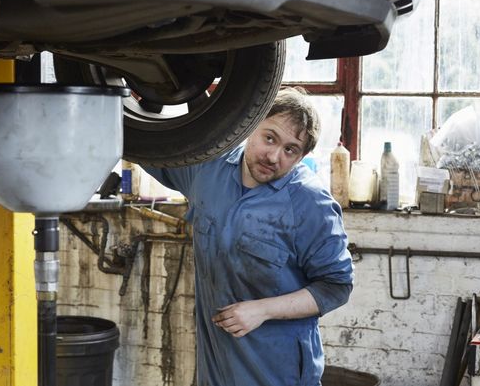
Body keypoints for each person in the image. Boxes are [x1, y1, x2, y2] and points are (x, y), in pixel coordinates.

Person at [144, 87, 354, 386]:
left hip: (276, 371)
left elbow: (337, 286)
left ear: (301, 157)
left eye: (290, 150)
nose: (274, 156)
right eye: (270, 138)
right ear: (250, 126)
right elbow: (144, 144)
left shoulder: (310, 203)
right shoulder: (208, 167)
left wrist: (262, 310)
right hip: (216, 367)